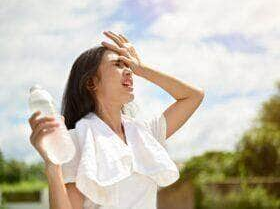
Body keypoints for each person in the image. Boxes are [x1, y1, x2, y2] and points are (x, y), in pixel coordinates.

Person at [28, 31, 205, 209]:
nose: (129, 70)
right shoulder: (77, 140)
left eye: (128, 65)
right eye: (118, 64)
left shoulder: (145, 133)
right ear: (92, 83)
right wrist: (52, 166)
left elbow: (193, 96)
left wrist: (142, 68)